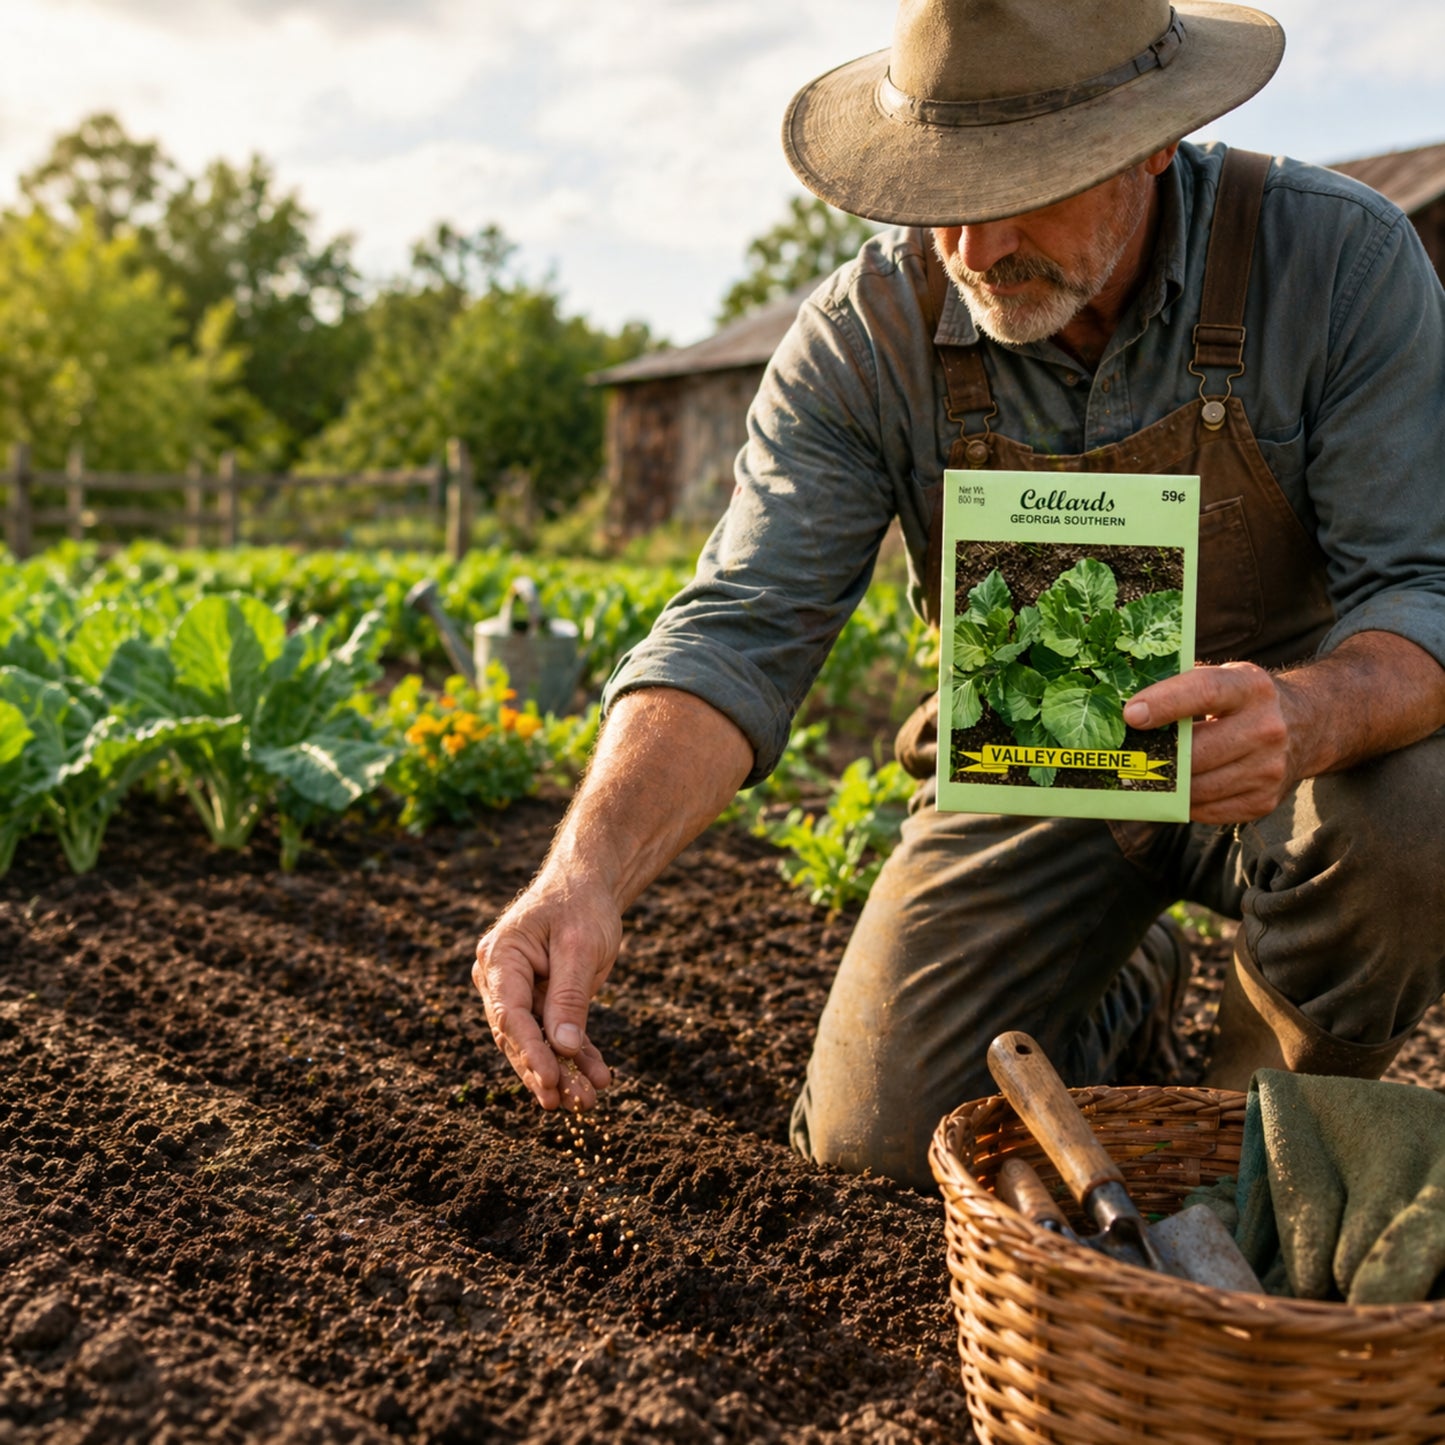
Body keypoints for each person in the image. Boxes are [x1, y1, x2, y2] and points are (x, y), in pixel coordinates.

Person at [475, 0, 1445, 1189]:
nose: (973, 250)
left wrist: (1304, 715)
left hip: (1292, 783)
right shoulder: (863, 337)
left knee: (1416, 804)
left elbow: (1421, 588)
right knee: (876, 1149)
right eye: (941, 194)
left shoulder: (1335, 262)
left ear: (1152, 141)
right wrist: (585, 869)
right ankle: (1120, 985)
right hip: (1031, 775)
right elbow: (739, 625)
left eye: (1024, 184)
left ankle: (1263, 1132)